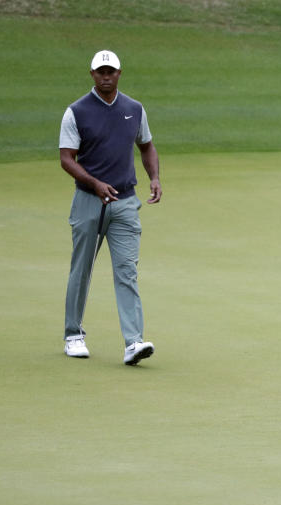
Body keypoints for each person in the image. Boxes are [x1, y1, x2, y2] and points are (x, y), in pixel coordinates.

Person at [59, 50, 162, 366]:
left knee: (127, 272)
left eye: (111, 71)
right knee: (82, 269)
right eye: (100, 71)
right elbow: (66, 159)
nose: (106, 76)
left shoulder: (134, 109)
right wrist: (94, 184)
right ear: (92, 74)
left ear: (119, 73)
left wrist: (154, 177)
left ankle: (133, 342)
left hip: (125, 203)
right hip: (89, 202)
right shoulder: (76, 112)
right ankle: (73, 334)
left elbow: (146, 145)